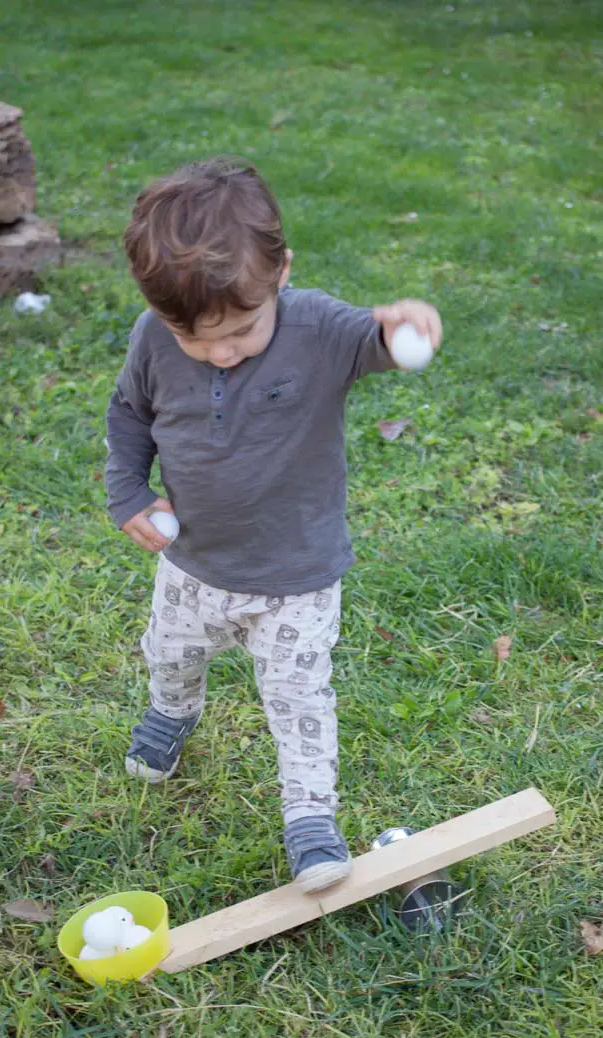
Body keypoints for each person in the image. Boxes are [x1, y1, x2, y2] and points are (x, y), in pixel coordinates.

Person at [105, 157, 442, 893]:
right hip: (193, 562)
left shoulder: (318, 327)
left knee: (299, 701)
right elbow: (131, 414)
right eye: (194, 337)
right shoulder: (153, 337)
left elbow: (377, 341)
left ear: (281, 273)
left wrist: (402, 327)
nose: (220, 352)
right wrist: (128, 491)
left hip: (296, 577)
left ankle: (310, 818)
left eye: (240, 330)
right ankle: (170, 714)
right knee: (170, 656)